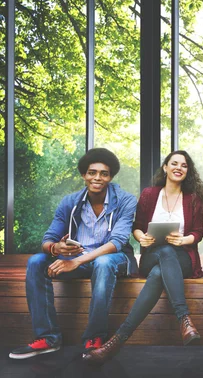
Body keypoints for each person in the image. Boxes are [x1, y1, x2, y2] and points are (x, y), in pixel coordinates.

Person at [9, 148, 138, 360]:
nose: (97, 177)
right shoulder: (70, 201)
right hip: (78, 259)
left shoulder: (126, 200)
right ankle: (48, 338)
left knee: (103, 263)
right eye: (92, 172)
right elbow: (48, 238)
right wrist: (55, 249)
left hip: (114, 259)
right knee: (36, 262)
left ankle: (94, 337)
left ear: (111, 176)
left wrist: (76, 261)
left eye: (104, 173)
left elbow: (117, 242)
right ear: (84, 175)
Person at [82, 150, 203, 364]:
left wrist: (183, 239)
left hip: (182, 258)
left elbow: (198, 233)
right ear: (166, 168)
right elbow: (137, 227)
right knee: (162, 255)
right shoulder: (150, 194)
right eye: (174, 163)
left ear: (188, 171)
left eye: (184, 165)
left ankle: (116, 341)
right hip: (151, 255)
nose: (179, 167)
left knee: (163, 265)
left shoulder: (193, 199)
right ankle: (184, 319)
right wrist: (142, 238)